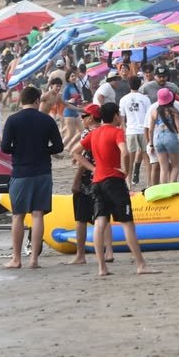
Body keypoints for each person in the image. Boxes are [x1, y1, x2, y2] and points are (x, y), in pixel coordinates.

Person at [79, 102, 156, 276]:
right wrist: (126, 171)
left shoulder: (94, 133)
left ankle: (102, 267)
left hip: (97, 182)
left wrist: (93, 169)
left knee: (100, 223)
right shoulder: (117, 132)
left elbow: (75, 152)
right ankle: (141, 264)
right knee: (127, 224)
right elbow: (125, 152)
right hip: (113, 181)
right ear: (115, 115)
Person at [0, 85, 64, 269]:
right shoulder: (47, 120)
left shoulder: (13, 120)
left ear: (21, 100)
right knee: (37, 215)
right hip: (43, 171)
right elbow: (59, 147)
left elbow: (4, 147)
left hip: (21, 171)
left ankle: (16, 258)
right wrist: (44, 150)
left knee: (18, 216)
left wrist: (19, 150)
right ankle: (34, 259)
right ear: (37, 101)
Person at [68, 104, 105, 266]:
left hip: (87, 180)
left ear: (90, 118)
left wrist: (76, 180)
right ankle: (107, 251)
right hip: (103, 178)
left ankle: (80, 254)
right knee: (103, 216)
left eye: (84, 116)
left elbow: (84, 160)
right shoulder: (104, 131)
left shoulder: (88, 133)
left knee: (81, 218)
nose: (81, 119)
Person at [146, 88, 179, 184]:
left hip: (157, 138)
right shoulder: (173, 111)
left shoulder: (154, 112)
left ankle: (163, 190)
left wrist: (151, 144)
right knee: (176, 165)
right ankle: (172, 187)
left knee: (163, 167)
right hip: (171, 137)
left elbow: (150, 130)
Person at [119, 76, 151, 186]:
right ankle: (149, 184)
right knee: (147, 158)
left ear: (129, 85)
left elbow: (122, 119)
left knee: (130, 159)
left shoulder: (123, 99)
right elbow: (149, 116)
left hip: (130, 130)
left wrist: (124, 130)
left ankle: (129, 184)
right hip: (143, 130)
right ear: (140, 84)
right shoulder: (145, 99)